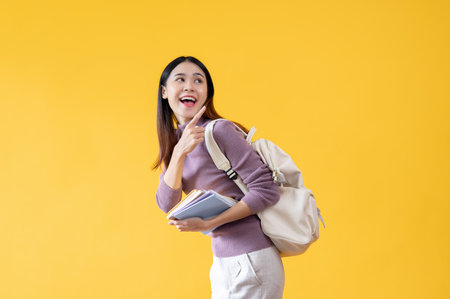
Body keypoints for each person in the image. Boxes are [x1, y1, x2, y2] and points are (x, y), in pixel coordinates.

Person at [153, 56, 285, 299]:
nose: (189, 86)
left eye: (198, 81)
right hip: (222, 263)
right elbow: (166, 204)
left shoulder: (220, 131)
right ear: (164, 91)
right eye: (180, 79)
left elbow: (266, 190)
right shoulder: (175, 143)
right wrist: (180, 152)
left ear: (206, 92)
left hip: (251, 259)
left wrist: (209, 223)